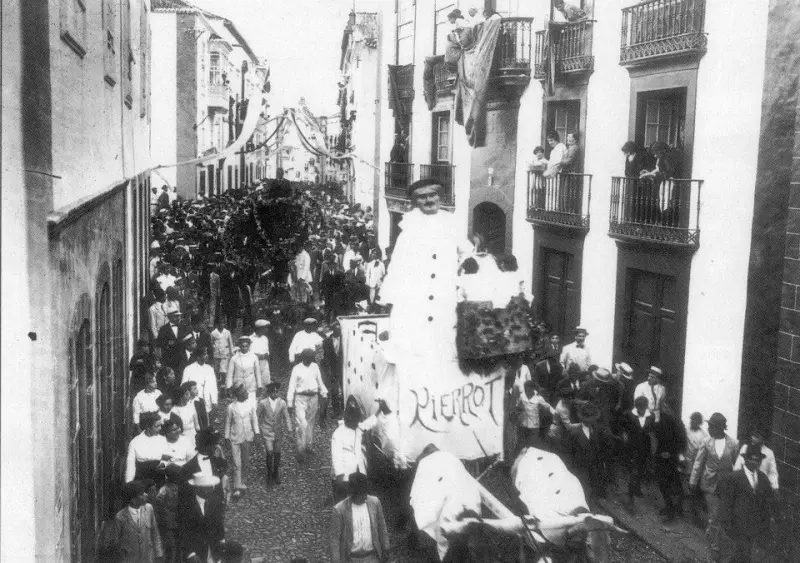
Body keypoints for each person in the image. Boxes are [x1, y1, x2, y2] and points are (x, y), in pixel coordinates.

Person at [377, 178, 473, 362]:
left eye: (433, 195)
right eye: (422, 197)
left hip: (444, 296)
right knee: (414, 346)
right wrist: (389, 298)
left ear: (440, 196)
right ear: (415, 202)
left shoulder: (451, 223)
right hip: (415, 299)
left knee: (444, 341)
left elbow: (466, 254)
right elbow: (397, 265)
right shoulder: (409, 227)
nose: (429, 200)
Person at [690, 412, 740, 562]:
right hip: (710, 484)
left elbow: (737, 465)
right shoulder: (706, 442)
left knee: (721, 517)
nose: (709, 428)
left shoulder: (733, 443)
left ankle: (712, 535)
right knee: (714, 517)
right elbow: (698, 463)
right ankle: (714, 547)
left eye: (711, 426)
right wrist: (693, 481)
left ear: (719, 428)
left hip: (725, 486)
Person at [717, 445, 773, 563]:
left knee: (746, 556)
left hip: (754, 527)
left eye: (757, 460)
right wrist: (727, 523)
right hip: (736, 525)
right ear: (745, 459)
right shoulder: (734, 478)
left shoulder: (763, 479)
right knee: (737, 554)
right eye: (751, 459)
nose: (754, 462)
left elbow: (766, 503)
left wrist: (765, 524)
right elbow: (726, 502)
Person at [330, 472, 391, 563]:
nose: (363, 496)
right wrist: (336, 560)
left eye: (364, 492)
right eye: (360, 493)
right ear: (352, 493)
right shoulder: (340, 509)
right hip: (350, 559)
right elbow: (335, 538)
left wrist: (386, 549)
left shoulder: (375, 502)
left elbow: (382, 527)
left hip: (372, 557)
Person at [102, 480, 164, 563]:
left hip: (147, 559)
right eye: (141, 494)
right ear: (133, 500)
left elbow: (155, 533)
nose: (145, 495)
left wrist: (158, 554)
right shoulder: (120, 517)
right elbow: (116, 543)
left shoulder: (149, 509)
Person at [564, 402, 615, 498]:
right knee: (583, 488)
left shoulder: (597, 430)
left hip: (594, 465)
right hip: (581, 467)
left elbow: (601, 448)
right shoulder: (574, 433)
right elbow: (569, 453)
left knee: (594, 486)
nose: (591, 421)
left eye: (593, 419)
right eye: (589, 419)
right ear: (583, 419)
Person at [287, 348, 328, 459]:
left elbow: (320, 381)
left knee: (310, 423)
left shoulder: (314, 366)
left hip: (313, 398)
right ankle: (300, 449)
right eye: (308, 358)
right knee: (302, 423)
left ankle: (308, 446)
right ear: (303, 358)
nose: (310, 360)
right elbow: (291, 386)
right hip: (301, 398)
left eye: (312, 358)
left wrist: (324, 393)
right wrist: (289, 403)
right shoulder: (296, 369)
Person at [179, 474, 226, 563]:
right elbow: (184, 530)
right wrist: (191, 553)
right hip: (197, 553)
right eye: (207, 487)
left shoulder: (214, 502)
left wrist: (222, 541)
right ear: (198, 488)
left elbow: (219, 523)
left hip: (214, 549)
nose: (211, 489)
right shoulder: (187, 506)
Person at [653, 404, 687, 522]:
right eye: (663, 408)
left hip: (671, 458)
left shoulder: (677, 423)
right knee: (662, 484)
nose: (664, 410)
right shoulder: (660, 420)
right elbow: (657, 437)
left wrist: (671, 454)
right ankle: (669, 507)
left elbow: (682, 441)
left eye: (667, 408)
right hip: (660, 456)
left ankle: (674, 510)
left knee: (673, 484)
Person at [621, 396, 655, 511]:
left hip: (644, 447)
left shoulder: (651, 416)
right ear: (636, 406)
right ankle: (630, 498)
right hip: (632, 447)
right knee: (633, 472)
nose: (641, 410)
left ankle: (638, 488)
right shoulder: (628, 415)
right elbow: (623, 427)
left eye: (643, 407)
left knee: (641, 469)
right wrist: (624, 434)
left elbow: (651, 430)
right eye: (639, 407)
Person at [225, 384, 259, 499]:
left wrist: (257, 433)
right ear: (238, 394)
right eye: (244, 392)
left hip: (247, 437)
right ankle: (237, 487)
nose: (247, 393)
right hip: (235, 437)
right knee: (236, 462)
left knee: (245, 461)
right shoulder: (231, 407)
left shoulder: (250, 405)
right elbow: (228, 423)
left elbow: (254, 420)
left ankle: (243, 481)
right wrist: (226, 438)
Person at [257, 382, 293, 486]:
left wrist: (290, 430)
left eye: (277, 391)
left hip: (278, 432)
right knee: (269, 452)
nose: (275, 393)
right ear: (269, 392)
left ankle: (275, 472)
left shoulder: (282, 403)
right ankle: (269, 474)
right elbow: (256, 416)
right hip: (267, 431)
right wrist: (257, 431)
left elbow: (287, 417)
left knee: (277, 452)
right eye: (273, 391)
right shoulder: (263, 403)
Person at [733, 429, 780, 498]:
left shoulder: (769, 453)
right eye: (753, 436)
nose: (753, 438)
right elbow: (738, 466)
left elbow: (772, 472)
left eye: (757, 437)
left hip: (760, 485)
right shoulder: (745, 448)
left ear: (763, 439)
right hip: (745, 483)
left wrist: (775, 486)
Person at [125, 412, 167, 483]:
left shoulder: (163, 440)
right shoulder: (135, 442)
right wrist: (129, 483)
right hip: (142, 479)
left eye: (160, 425)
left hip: (159, 478)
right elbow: (130, 466)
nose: (160, 428)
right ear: (148, 427)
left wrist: (163, 463)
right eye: (157, 426)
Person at [182, 349, 218, 430]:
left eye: (207, 354)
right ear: (198, 357)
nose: (207, 356)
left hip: (206, 398)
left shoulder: (209, 368)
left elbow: (213, 386)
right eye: (204, 354)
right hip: (193, 399)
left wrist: (214, 401)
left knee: (206, 421)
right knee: (195, 422)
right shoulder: (189, 369)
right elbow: (183, 385)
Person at [515, 381, 554, 453]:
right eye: (525, 389)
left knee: (532, 445)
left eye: (529, 389)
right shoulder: (522, 396)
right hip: (523, 424)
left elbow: (547, 406)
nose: (527, 391)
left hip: (534, 425)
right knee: (522, 444)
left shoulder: (539, 398)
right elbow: (517, 405)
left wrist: (555, 413)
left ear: (533, 389)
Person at [154, 466, 181, 563]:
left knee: (176, 548)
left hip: (175, 523)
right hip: (168, 524)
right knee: (170, 548)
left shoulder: (176, 489)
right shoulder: (164, 490)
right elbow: (158, 508)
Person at [226, 335, 262, 403]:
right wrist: (228, 387)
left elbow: (258, 373)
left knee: (251, 406)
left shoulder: (254, 357)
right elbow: (230, 374)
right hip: (238, 388)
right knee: (239, 408)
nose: (244, 348)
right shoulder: (234, 358)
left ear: (249, 346)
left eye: (246, 346)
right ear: (239, 346)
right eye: (242, 346)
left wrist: (259, 386)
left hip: (251, 386)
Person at [210, 317, 234, 387]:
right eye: (220, 323)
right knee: (216, 370)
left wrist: (231, 353)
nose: (222, 324)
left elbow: (230, 343)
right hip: (216, 354)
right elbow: (211, 343)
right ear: (217, 324)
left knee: (223, 370)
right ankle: (217, 383)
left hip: (225, 354)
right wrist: (213, 349)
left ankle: (223, 384)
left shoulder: (227, 332)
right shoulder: (213, 333)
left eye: (223, 323)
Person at [249, 319, 272, 386]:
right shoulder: (250, 338)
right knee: (255, 382)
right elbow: (250, 353)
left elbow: (267, 352)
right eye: (265, 328)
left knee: (265, 381)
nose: (267, 329)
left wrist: (265, 356)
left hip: (264, 363)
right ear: (260, 328)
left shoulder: (265, 338)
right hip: (254, 363)